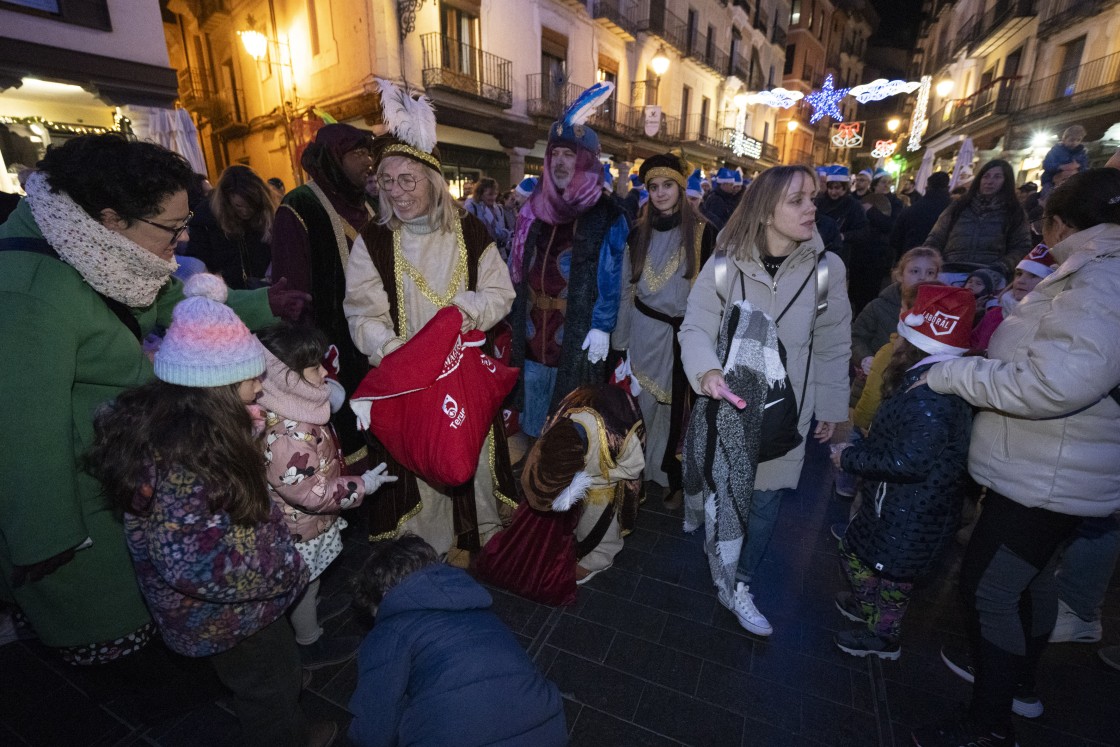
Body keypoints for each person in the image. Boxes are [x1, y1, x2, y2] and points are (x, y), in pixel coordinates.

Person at [0, 134, 299, 671]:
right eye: (171, 227)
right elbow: (22, 436)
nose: (184, 239)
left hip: (121, 481)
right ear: (113, 218)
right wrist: (46, 542)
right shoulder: (29, 292)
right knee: (128, 676)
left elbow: (168, 301)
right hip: (80, 520)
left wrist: (266, 303)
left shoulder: (93, 249)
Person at [910, 168, 1120, 747]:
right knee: (1029, 580)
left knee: (988, 591)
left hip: (1048, 473)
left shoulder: (1100, 279)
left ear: (1059, 222)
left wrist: (957, 374)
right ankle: (1020, 688)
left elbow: (1058, 381)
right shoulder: (1093, 271)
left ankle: (987, 720)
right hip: (1061, 463)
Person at [86, 273, 332, 747]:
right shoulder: (186, 463)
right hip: (226, 616)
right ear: (217, 385)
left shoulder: (201, 434)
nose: (261, 387)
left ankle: (287, 717)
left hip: (245, 604)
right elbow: (196, 564)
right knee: (266, 685)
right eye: (252, 378)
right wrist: (282, 570)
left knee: (275, 671)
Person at [345, 79, 516, 559]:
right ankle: (429, 548)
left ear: (433, 181)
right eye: (387, 181)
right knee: (419, 460)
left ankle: (480, 531)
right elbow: (362, 311)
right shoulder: (372, 240)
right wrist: (396, 353)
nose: (396, 191)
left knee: (471, 453)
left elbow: (501, 291)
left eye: (407, 180)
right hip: (408, 379)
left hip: (464, 374)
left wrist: (467, 313)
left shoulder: (470, 229)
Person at [679, 165, 852, 637]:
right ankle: (720, 553)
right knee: (726, 494)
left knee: (765, 505)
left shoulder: (826, 272)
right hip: (728, 407)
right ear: (764, 210)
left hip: (786, 417)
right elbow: (695, 326)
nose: (811, 207)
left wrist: (836, 413)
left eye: (812, 197)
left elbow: (835, 344)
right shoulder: (722, 265)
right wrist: (706, 370)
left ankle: (740, 583)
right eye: (797, 200)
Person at [831, 285, 975, 660]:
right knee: (862, 555)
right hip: (895, 504)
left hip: (913, 512)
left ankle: (883, 637)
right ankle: (871, 608)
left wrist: (849, 459)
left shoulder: (932, 398)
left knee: (891, 576)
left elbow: (907, 462)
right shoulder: (924, 380)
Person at [256, 323, 398, 670]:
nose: (324, 372)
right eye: (314, 367)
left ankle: (308, 610)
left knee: (310, 580)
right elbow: (309, 492)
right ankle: (308, 641)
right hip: (298, 530)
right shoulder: (287, 433)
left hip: (306, 524)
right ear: (287, 378)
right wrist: (361, 485)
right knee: (304, 581)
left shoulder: (297, 409)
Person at [348, 534, 567, 747]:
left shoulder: (389, 632)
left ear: (384, 595)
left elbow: (373, 732)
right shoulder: (478, 608)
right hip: (548, 727)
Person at [508, 82, 629, 439]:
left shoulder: (606, 214)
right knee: (532, 425)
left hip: (575, 339)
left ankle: (562, 489)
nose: (560, 161)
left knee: (569, 427)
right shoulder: (534, 208)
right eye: (555, 153)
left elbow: (611, 278)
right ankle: (535, 485)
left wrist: (602, 326)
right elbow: (520, 268)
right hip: (531, 335)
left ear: (586, 160)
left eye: (570, 154)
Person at [611, 153, 715, 508]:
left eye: (667, 185)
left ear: (681, 188)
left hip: (683, 337)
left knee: (677, 413)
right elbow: (626, 289)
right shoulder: (637, 232)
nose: (660, 193)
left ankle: (670, 475)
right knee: (640, 408)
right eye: (653, 187)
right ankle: (634, 475)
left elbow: (715, 295)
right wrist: (620, 343)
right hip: (642, 333)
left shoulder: (704, 233)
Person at [272, 123, 378, 470]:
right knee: (345, 439)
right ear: (335, 158)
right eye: (358, 152)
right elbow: (292, 293)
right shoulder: (300, 206)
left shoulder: (369, 206)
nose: (369, 161)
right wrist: (309, 356)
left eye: (368, 152)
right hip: (332, 349)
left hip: (375, 339)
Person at [477, 384, 646, 597]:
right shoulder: (555, 425)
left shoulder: (617, 439)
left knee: (599, 510)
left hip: (610, 469)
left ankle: (600, 558)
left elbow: (633, 469)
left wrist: (594, 479)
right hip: (584, 445)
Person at [922, 159, 1031, 283]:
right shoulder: (959, 206)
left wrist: (1002, 266)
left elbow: (1022, 247)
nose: (990, 181)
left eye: (997, 177)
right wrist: (933, 260)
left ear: (1006, 181)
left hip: (989, 276)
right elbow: (936, 237)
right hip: (950, 271)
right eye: (986, 176)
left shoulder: (1014, 212)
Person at [851, 247, 941, 380]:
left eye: (930, 272)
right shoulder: (878, 306)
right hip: (875, 378)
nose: (922, 277)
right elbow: (856, 337)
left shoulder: (941, 314)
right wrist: (864, 358)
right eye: (914, 271)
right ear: (900, 275)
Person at [183, 164, 277, 290]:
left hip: (263, 289)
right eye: (239, 206)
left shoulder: (265, 216)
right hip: (225, 293)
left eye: (251, 205)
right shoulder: (207, 218)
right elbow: (197, 260)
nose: (245, 211)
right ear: (226, 199)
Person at [969, 244, 1056, 352]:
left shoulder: (1050, 321)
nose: (1020, 281)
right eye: (1019, 274)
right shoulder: (994, 314)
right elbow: (970, 345)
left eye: (1033, 276)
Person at [814, 165, 869, 269]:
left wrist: (844, 236)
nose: (833, 192)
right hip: (817, 253)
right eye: (830, 187)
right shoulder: (819, 202)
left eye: (837, 188)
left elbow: (863, 231)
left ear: (845, 187)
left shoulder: (853, 206)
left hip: (840, 255)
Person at [891, 172, 952, 257]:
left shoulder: (913, 209)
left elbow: (895, 239)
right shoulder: (955, 210)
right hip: (943, 261)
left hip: (912, 257)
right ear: (948, 187)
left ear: (927, 187)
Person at [463, 176, 512, 256]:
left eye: (495, 194)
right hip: (478, 253)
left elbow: (498, 230)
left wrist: (509, 235)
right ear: (480, 193)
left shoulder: (497, 208)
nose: (493, 197)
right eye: (489, 194)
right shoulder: (471, 207)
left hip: (495, 253)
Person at [1041, 125, 1089, 196]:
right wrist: (1061, 167)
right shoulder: (1055, 150)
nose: (1075, 143)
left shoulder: (1082, 153)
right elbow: (1046, 165)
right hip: (1052, 181)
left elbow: (1085, 168)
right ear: (1064, 139)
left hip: (1073, 181)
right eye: (1071, 140)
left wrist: (1078, 168)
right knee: (1048, 196)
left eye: (1078, 140)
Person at [700, 166, 743, 231]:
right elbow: (715, 224)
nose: (732, 187)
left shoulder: (726, 198)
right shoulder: (716, 200)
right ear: (723, 184)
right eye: (730, 185)